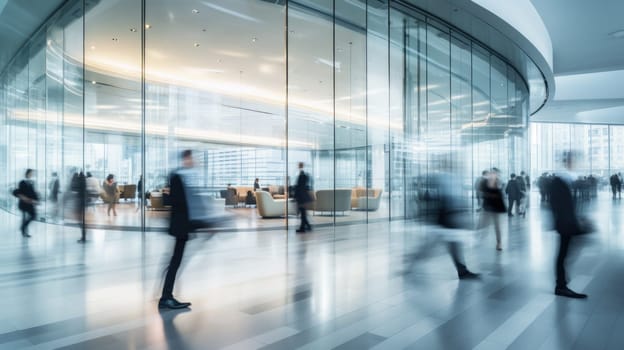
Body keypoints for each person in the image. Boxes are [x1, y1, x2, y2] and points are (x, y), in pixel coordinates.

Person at [549, 151, 592, 298]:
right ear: (567, 162)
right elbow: (558, 205)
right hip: (565, 224)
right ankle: (561, 285)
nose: (577, 164)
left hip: (568, 223)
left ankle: (562, 281)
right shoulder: (560, 181)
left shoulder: (567, 179)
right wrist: (571, 222)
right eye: (574, 161)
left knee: (565, 253)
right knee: (563, 254)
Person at [159, 150, 195, 309]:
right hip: (180, 227)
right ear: (186, 159)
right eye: (192, 158)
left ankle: (166, 295)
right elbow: (178, 203)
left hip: (180, 227)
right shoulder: (178, 176)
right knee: (175, 261)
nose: (194, 161)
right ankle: (166, 297)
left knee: (174, 261)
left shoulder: (179, 176)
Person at [478, 167, 506, 250]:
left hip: (496, 207)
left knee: (497, 226)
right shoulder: (484, 182)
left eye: (495, 173)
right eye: (492, 173)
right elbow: (481, 191)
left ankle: (499, 243)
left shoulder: (499, 182)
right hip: (487, 206)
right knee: (482, 224)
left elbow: (500, 194)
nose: (493, 174)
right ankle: (479, 238)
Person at [15, 169, 39, 237]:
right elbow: (19, 192)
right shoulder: (22, 182)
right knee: (24, 218)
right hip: (23, 203)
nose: (32, 174)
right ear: (27, 173)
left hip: (29, 203)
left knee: (33, 215)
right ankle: (24, 232)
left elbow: (33, 193)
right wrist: (24, 197)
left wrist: (37, 200)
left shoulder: (31, 182)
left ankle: (23, 227)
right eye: (31, 173)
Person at [295, 162, 313, 233]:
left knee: (302, 212)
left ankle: (303, 228)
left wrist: (296, 195)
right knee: (303, 212)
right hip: (303, 196)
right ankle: (307, 226)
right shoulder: (303, 174)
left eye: (299, 165)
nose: (298, 166)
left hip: (302, 196)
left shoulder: (302, 174)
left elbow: (300, 186)